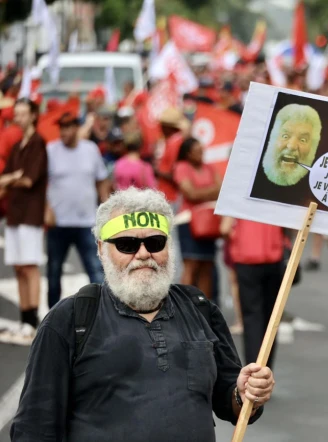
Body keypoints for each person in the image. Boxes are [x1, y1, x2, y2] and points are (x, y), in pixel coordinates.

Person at [10, 188, 274, 441]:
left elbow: (233, 403)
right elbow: (35, 426)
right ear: (102, 249)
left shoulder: (200, 308)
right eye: (127, 244)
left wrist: (245, 393)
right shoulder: (70, 319)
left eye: (155, 242)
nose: (144, 254)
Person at [45, 112, 110, 309]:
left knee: (97, 272)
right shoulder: (51, 150)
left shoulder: (90, 150)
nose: (63, 132)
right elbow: (41, 184)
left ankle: (104, 315)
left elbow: (102, 180)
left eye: (67, 127)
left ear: (76, 127)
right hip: (59, 223)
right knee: (54, 274)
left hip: (87, 223)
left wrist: (106, 209)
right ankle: (53, 319)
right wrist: (47, 209)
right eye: (61, 128)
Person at [0, 98, 48, 345]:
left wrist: (10, 179)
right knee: (18, 267)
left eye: (21, 114)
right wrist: (12, 178)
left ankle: (33, 319)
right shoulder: (18, 145)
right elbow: (6, 178)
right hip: (15, 213)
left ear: (32, 115)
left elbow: (29, 179)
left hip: (30, 214)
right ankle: (24, 316)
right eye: (15, 114)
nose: (16, 118)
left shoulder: (38, 144)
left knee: (29, 266)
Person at [222, 217, 286, 368]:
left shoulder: (241, 196)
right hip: (273, 258)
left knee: (251, 318)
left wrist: (238, 239)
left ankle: (253, 372)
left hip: (246, 258)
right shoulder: (277, 195)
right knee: (271, 319)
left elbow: (224, 228)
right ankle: (266, 371)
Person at [173, 137, 221, 299]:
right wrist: (211, 191)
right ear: (188, 153)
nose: (201, 154)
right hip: (188, 222)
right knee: (191, 265)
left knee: (207, 265)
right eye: (197, 151)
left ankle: (203, 308)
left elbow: (220, 189)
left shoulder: (210, 167)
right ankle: (183, 306)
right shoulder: (181, 167)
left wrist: (200, 193)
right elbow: (190, 193)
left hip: (208, 223)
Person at [250, 104, 322, 205]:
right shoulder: (249, 175)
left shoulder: (315, 196)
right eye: (285, 136)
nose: (292, 146)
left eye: (303, 140)